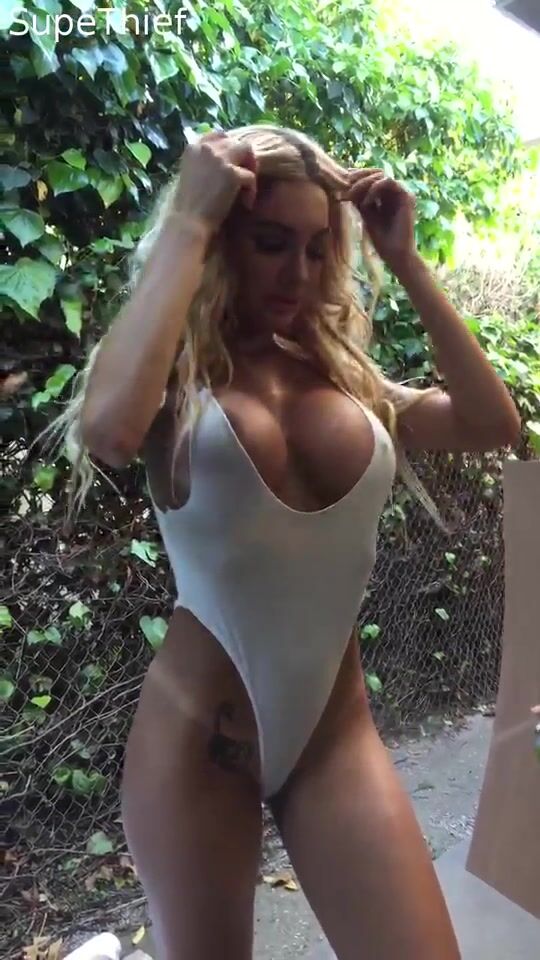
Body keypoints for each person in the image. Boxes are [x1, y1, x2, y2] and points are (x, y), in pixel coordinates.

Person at [55, 124, 521, 959]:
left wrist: (405, 261)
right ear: (224, 237)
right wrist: (188, 218)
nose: (298, 274)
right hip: (197, 746)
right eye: (271, 243)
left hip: (333, 741)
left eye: (316, 249)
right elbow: (111, 433)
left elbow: (493, 424)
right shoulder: (176, 377)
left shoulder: (349, 382)